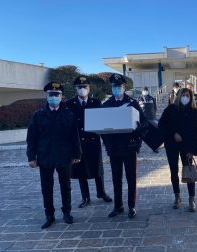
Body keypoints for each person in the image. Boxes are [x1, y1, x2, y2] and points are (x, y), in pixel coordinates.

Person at [26, 82, 81, 229]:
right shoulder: (39, 115)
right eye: (51, 94)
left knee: (66, 186)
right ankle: (49, 215)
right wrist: (31, 157)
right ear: (47, 96)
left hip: (64, 156)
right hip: (45, 157)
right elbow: (31, 138)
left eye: (57, 95)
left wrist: (77, 154)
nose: (54, 97)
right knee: (47, 188)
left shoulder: (68, 114)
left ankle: (67, 212)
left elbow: (74, 136)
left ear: (61, 96)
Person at [102, 73, 147, 219]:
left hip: (129, 147)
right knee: (116, 178)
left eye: (119, 86)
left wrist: (136, 137)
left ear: (124, 87)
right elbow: (101, 127)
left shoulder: (132, 103)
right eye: (114, 86)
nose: (117, 89)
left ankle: (131, 206)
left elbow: (144, 123)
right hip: (114, 148)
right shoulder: (106, 105)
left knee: (131, 178)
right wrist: (107, 142)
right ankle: (118, 206)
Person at [65, 76, 112, 209]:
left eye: (85, 87)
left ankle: (101, 192)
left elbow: (103, 122)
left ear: (89, 88)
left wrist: (105, 140)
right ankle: (85, 197)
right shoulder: (69, 104)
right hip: (78, 142)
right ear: (76, 89)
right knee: (81, 171)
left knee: (98, 169)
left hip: (93, 141)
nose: (82, 89)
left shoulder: (96, 102)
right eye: (80, 87)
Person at [159, 88, 197, 212]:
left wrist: (194, 149)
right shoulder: (170, 109)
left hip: (187, 146)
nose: (185, 97)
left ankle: (191, 198)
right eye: (183, 95)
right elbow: (161, 125)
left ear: (191, 97)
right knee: (174, 171)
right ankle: (177, 196)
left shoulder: (194, 111)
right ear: (178, 96)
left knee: (189, 170)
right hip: (172, 145)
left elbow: (196, 132)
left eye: (188, 95)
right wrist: (173, 134)